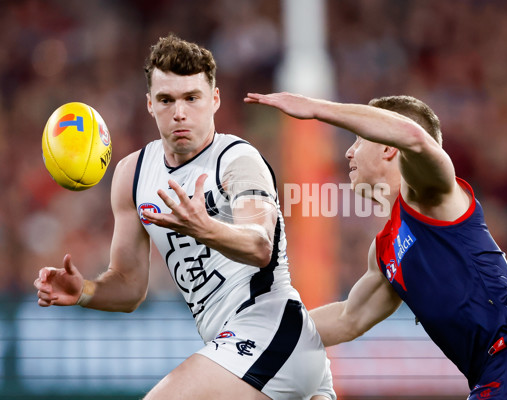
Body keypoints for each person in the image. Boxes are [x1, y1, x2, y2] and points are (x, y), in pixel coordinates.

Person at [33, 35, 335, 400]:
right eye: (167, 100)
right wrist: (85, 291)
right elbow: (129, 287)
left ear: (215, 100)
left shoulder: (237, 161)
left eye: (192, 98)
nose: (179, 112)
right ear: (149, 104)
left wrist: (203, 227)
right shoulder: (133, 175)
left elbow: (260, 246)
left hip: (272, 331)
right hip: (244, 351)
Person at [244, 92, 507, 399]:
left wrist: (316, 109)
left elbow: (414, 137)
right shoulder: (384, 249)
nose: (349, 153)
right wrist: (259, 334)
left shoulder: (429, 194)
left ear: (386, 147)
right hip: (504, 374)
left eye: (358, 139)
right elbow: (348, 318)